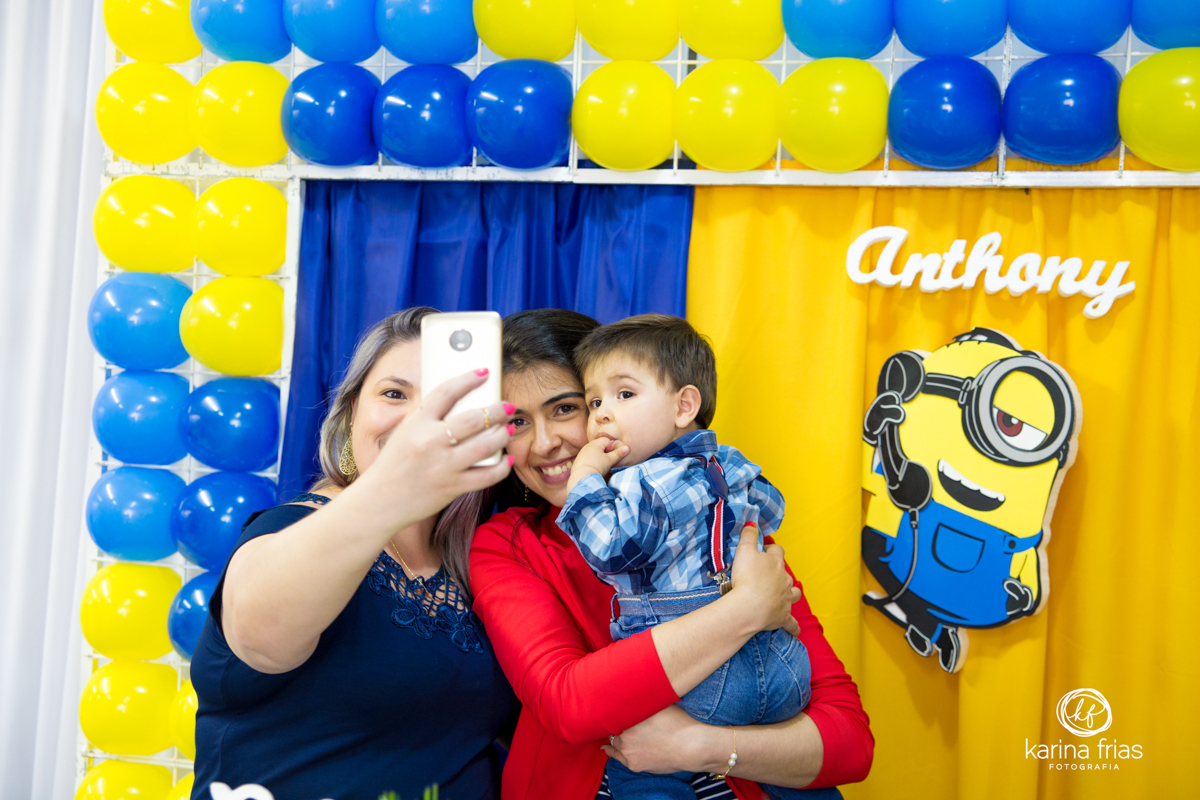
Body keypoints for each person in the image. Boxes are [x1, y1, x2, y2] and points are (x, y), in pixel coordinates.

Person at [468, 309, 874, 800]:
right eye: (517, 422)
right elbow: (570, 703)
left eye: (566, 409)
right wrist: (746, 610)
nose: (546, 442)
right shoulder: (508, 545)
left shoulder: (713, 513)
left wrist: (699, 746)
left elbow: (849, 743)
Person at [190, 308, 521, 800]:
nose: (417, 422)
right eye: (394, 394)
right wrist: (391, 488)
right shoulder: (290, 530)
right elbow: (258, 636)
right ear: (349, 418)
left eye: (442, 402)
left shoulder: (476, 563)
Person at [557, 314, 811, 800]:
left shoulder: (642, 480)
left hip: (701, 681)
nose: (603, 414)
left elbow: (610, 551)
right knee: (790, 781)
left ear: (684, 406)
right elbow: (772, 509)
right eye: (594, 402)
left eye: (624, 394)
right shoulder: (730, 462)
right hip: (784, 666)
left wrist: (587, 476)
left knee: (641, 768)